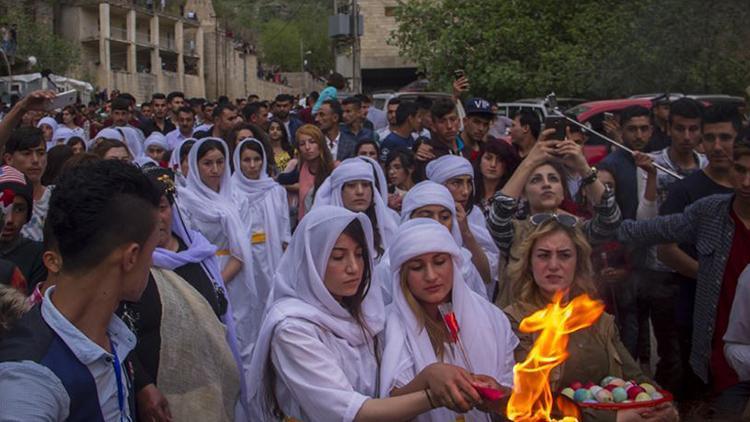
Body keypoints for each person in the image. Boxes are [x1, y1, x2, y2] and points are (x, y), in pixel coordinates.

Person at [246, 206, 463, 421]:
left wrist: (433, 378)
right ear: (312, 261)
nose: (354, 268)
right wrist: (434, 396)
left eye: (359, 255)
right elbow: (351, 413)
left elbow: (383, 396)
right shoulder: (293, 330)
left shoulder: (364, 313)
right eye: (338, 257)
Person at [0, 160, 161, 421]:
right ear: (131, 257)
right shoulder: (31, 381)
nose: (151, 264)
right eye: (151, 252)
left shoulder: (112, 336)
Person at [616, 138, 750, 417]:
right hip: (722, 357)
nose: (747, 181)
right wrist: (597, 228)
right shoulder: (712, 212)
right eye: (740, 170)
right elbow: (656, 230)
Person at [504, 216, 678, 422]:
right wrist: (612, 418)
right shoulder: (514, 321)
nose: (553, 265)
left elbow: (635, 377)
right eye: (543, 255)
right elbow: (526, 402)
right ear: (529, 263)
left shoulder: (598, 320)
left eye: (564, 255)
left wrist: (661, 404)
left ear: (578, 263)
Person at [121, 168, 243, 422]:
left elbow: (220, 313)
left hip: (209, 389)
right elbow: (115, 331)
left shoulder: (199, 255)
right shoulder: (129, 265)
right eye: (148, 209)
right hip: (157, 396)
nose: (157, 217)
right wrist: (143, 385)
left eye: (163, 207)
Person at [381, 219, 517, 421]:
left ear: (453, 264)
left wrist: (497, 394)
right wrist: (428, 378)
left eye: (439, 262)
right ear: (403, 275)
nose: (431, 276)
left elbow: (513, 392)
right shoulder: (386, 326)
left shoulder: (491, 318)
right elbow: (385, 408)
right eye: (417, 267)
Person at [657, 104, 741, 400]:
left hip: (743, 316)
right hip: (696, 312)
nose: (717, 146)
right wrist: (710, 276)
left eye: (726, 138)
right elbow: (665, 249)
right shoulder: (687, 190)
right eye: (711, 138)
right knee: (698, 393)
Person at [488, 132, 620, 308]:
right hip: (521, 327)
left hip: (569, 325)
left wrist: (584, 168)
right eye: (536, 180)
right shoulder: (515, 232)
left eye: (553, 179)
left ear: (563, 190)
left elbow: (610, 218)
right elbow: (497, 216)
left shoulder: (577, 230)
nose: (546, 184)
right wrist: (529, 162)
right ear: (524, 193)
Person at [177, 138, 258, 354]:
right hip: (203, 272)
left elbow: (242, 247)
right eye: (207, 163)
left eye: (220, 162)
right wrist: (210, 283)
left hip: (235, 272)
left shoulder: (238, 199)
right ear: (195, 165)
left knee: (241, 334)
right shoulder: (185, 201)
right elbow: (187, 244)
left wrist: (220, 280)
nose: (215, 169)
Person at [385, 181, 490, 303]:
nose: (436, 223)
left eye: (444, 217)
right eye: (426, 216)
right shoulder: (390, 265)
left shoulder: (463, 261)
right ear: (409, 219)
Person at [232, 138, 291, 311]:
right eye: (246, 160)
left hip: (271, 254)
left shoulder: (275, 190)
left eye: (257, 159)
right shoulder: (231, 192)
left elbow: (284, 230)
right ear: (238, 161)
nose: (252, 165)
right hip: (242, 259)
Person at [425, 154, 500, 288]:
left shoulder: (475, 215)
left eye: (469, 183)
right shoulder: (423, 215)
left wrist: (466, 232)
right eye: (456, 183)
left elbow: (487, 274)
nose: (465, 191)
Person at [313, 158, 398, 258]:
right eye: (351, 185)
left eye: (366, 185)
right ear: (339, 192)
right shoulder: (323, 231)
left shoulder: (388, 225)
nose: (360, 191)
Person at [598, 106, 653, 220]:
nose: (639, 136)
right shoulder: (610, 165)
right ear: (621, 131)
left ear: (651, 130)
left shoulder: (659, 159)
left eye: (644, 129)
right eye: (632, 129)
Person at [0, 165, 46, 293]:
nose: (9, 219)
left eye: (19, 209)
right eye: (3, 208)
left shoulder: (38, 256)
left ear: (28, 215)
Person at [277, 124, 335, 221]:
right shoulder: (301, 167)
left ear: (321, 144)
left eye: (312, 142)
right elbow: (285, 178)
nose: (307, 147)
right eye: (302, 144)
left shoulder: (334, 168)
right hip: (304, 223)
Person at [3, 127, 51, 242]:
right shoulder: (3, 200)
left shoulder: (58, 197)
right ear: (9, 159)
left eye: (41, 153)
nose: (35, 160)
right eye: (27, 153)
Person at [414, 98, 463, 180]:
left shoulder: (469, 149)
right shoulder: (427, 154)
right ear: (433, 126)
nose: (449, 126)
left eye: (452, 119)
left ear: (459, 122)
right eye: (442, 121)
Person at [473, 137, 520, 218]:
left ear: (506, 166)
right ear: (480, 161)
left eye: (500, 160)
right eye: (488, 158)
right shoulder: (469, 191)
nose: (493, 165)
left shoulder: (513, 196)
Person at [459, 98, 494, 162]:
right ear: (465, 121)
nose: (481, 128)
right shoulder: (451, 146)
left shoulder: (488, 150)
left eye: (486, 124)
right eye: (477, 122)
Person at [386, 148, 416, 212]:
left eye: (397, 167)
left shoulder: (421, 191)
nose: (391, 172)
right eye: (389, 168)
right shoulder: (386, 195)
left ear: (411, 168)